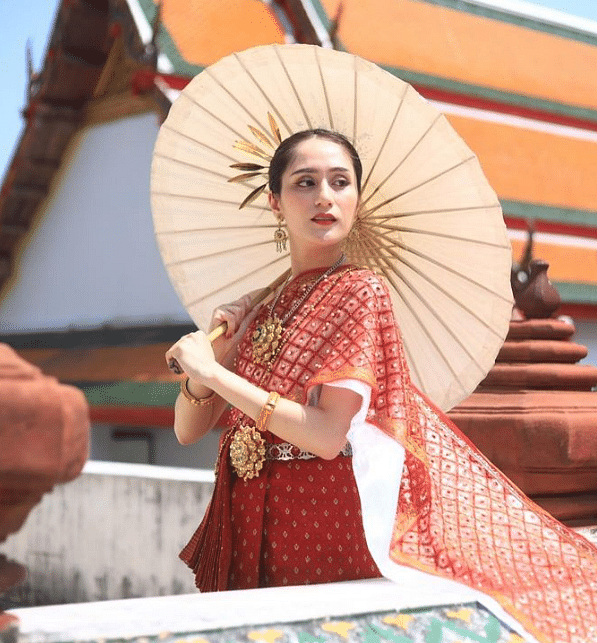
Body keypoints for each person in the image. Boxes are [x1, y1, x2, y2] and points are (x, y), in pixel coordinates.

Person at [166, 129, 597, 643]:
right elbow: (187, 430)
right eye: (305, 182)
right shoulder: (259, 307)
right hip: (247, 510)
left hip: (323, 517)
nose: (324, 196)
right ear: (275, 202)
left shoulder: (360, 293)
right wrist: (211, 359)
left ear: (356, 201)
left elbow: (327, 434)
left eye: (340, 182)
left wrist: (217, 375)